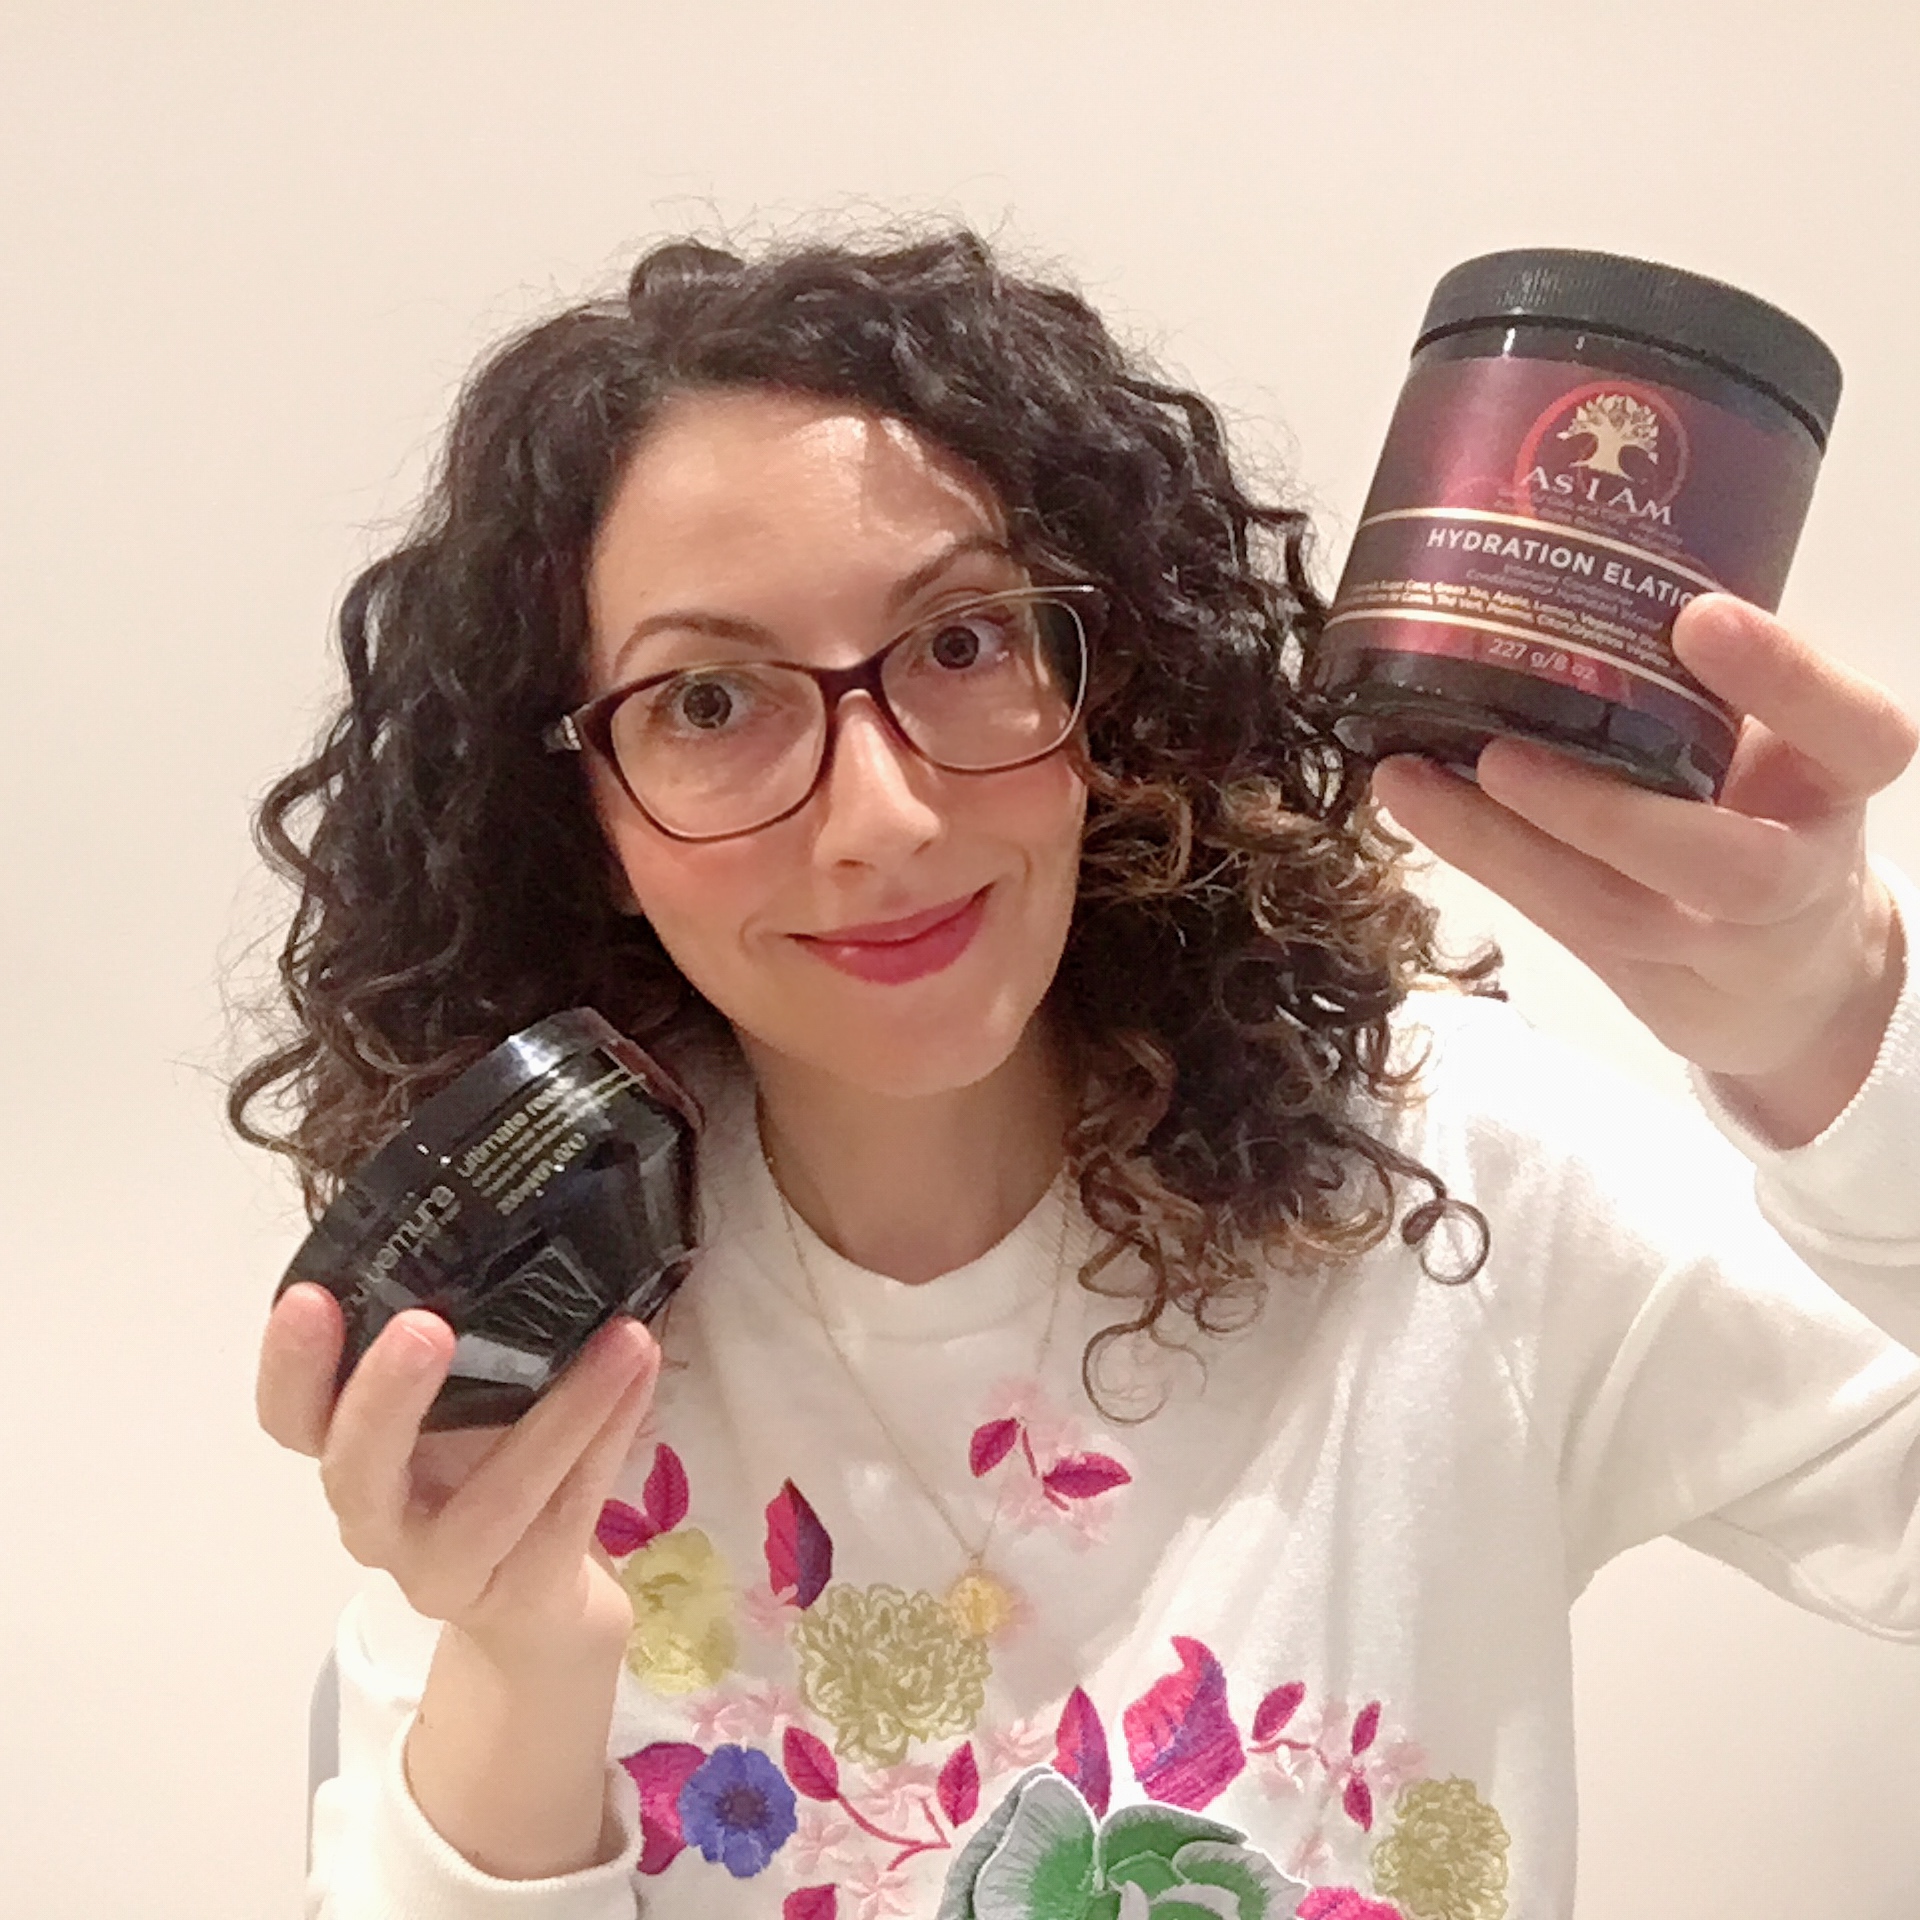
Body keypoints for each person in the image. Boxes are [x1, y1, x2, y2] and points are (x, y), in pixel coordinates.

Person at [241, 230, 1920, 1920]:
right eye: (710, 701)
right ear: (585, 817)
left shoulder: (1443, 1181)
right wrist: (523, 1662)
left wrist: (1842, 1028)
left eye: (963, 643)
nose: (884, 819)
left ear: (1098, 689)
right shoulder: (548, 1340)